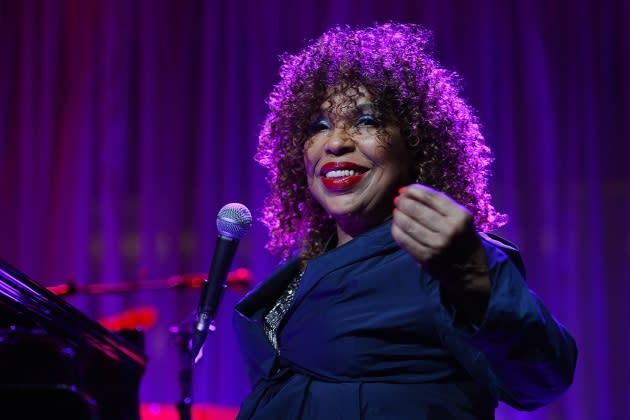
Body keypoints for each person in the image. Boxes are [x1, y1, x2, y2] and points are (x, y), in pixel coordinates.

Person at [233, 23, 577, 419]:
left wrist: (473, 278)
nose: (336, 141)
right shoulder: (305, 266)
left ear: (415, 142)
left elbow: (543, 376)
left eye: (367, 121)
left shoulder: (443, 260)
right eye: (319, 126)